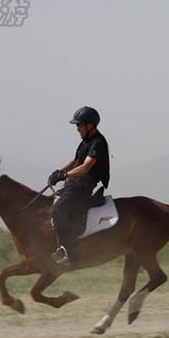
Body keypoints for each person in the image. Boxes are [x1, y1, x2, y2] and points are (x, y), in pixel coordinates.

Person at [48, 106, 110, 266]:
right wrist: (59, 172)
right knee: (48, 203)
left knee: (58, 209)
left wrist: (65, 175)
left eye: (79, 125)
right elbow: (76, 161)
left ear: (90, 126)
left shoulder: (98, 143)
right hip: (74, 183)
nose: (77, 129)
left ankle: (69, 252)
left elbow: (85, 167)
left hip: (83, 185)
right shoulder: (86, 141)